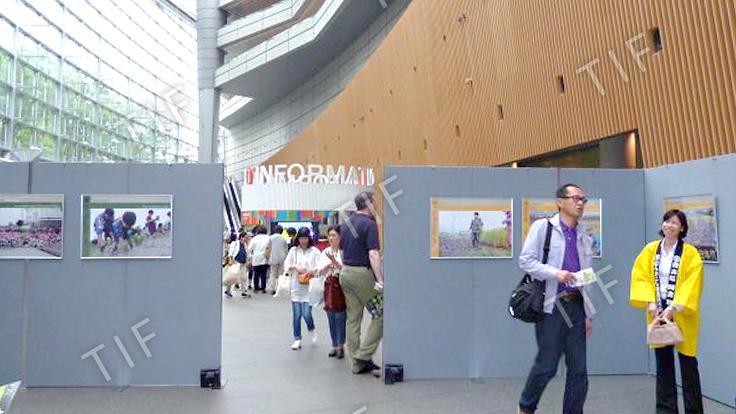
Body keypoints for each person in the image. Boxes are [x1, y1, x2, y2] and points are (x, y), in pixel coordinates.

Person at [517, 183, 595, 414]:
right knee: (547, 366)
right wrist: (556, 273)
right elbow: (526, 261)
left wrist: (589, 314)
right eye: (575, 198)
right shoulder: (543, 228)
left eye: (583, 199)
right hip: (552, 306)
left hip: (577, 307)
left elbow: (587, 276)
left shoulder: (584, 236)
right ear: (560, 202)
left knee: (579, 370)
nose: (580, 203)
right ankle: (526, 407)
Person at [630, 209, 704, 414]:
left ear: (682, 228)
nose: (669, 225)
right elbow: (641, 276)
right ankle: (665, 410)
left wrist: (673, 308)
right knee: (663, 366)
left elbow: (692, 282)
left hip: (681, 313)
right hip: (657, 314)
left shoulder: (690, 253)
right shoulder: (650, 250)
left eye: (675, 223)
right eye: (667, 221)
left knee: (688, 365)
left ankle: (694, 410)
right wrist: (650, 303)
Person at [339, 192, 384, 376]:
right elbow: (373, 254)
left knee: (353, 318)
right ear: (368, 204)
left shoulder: (346, 223)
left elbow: (341, 251)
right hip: (362, 275)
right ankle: (362, 357)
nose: (377, 206)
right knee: (382, 312)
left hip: (346, 273)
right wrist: (380, 280)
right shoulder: (370, 224)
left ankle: (357, 364)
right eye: (374, 202)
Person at [284, 227, 321, 350]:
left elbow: (319, 268)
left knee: (306, 313)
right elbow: (287, 264)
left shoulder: (315, 251)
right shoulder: (293, 250)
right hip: (296, 286)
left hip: (309, 287)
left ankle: (312, 329)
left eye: (305, 238)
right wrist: (295, 266)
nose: (303, 241)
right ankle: (297, 339)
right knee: (296, 315)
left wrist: (311, 271)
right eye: (301, 238)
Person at [317, 226, 347, 359]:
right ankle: (334, 344)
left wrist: (336, 262)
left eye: (334, 235)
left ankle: (341, 345)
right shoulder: (324, 252)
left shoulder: (344, 252)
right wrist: (328, 265)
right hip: (329, 285)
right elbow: (319, 272)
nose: (331, 238)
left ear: (340, 237)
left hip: (342, 286)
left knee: (340, 317)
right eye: (329, 235)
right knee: (330, 316)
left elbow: (348, 270)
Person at [248, 225, 271, 293]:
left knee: (256, 274)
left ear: (258, 231)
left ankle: (256, 287)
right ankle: (263, 288)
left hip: (256, 258)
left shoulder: (254, 239)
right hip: (265, 258)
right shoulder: (269, 238)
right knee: (264, 274)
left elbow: (249, 249)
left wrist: (250, 256)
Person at [228, 232, 251, 298]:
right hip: (235, 262)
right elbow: (230, 253)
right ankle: (228, 291)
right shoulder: (235, 243)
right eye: (246, 237)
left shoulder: (245, 245)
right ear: (241, 237)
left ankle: (244, 291)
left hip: (243, 263)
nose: (247, 239)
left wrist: (249, 261)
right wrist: (230, 261)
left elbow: (248, 254)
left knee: (244, 278)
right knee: (232, 277)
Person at [267, 225, 289, 295]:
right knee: (280, 274)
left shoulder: (271, 238)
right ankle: (279, 288)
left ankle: (272, 288)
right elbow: (286, 249)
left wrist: (267, 257)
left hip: (273, 257)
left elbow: (268, 248)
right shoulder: (284, 238)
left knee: (273, 274)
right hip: (282, 258)